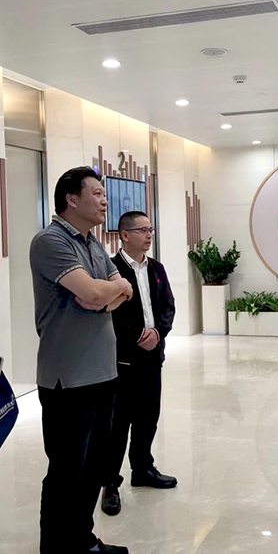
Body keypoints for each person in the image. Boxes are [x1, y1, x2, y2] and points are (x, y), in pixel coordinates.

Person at [29, 167, 133, 554]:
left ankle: (82, 540)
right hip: (67, 380)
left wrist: (109, 293)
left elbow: (122, 290)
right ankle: (57, 549)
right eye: (97, 193)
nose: (105, 201)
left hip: (103, 373)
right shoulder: (50, 241)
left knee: (94, 468)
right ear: (71, 199)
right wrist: (106, 291)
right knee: (66, 472)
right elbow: (92, 292)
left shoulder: (92, 244)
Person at [101, 211, 176, 516]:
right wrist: (137, 337)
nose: (148, 235)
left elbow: (168, 305)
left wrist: (158, 332)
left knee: (148, 416)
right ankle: (110, 483)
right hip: (123, 360)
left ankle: (143, 469)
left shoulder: (156, 268)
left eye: (150, 230)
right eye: (142, 230)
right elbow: (111, 313)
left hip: (152, 356)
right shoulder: (111, 269)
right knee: (118, 424)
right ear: (124, 235)